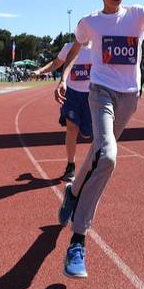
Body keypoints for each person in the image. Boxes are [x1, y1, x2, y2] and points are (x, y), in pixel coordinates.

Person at [55, 0, 144, 279]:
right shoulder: (90, 23)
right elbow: (75, 46)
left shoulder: (137, 15)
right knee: (109, 156)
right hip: (100, 94)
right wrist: (62, 75)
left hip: (129, 99)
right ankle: (78, 239)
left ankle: (73, 192)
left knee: (98, 154)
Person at [32, 39, 95, 182]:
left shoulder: (97, 47)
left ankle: (86, 137)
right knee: (72, 128)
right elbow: (56, 63)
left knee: (87, 134)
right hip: (72, 94)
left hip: (91, 96)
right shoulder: (69, 47)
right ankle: (70, 165)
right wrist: (40, 71)